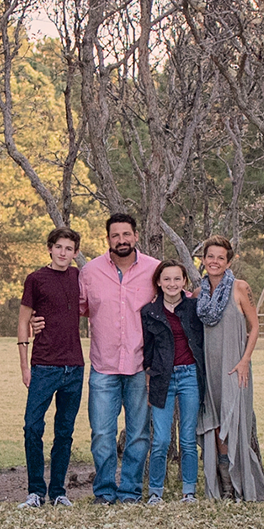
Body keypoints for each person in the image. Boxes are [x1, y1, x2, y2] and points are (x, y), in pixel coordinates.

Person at [79, 213, 160, 503]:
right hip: (104, 365)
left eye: (126, 234)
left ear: (136, 236)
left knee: (138, 434)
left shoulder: (154, 270)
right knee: (101, 433)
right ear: (108, 239)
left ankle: (129, 491)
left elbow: (176, 299)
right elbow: (76, 309)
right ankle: (104, 491)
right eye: (115, 235)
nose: (122, 240)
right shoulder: (89, 272)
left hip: (141, 366)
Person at [196, 234, 264, 501]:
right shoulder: (198, 293)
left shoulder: (239, 288)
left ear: (229, 261)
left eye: (220, 257)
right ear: (203, 260)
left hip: (235, 367)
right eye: (210, 256)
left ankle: (242, 485)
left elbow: (255, 326)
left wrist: (245, 360)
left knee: (232, 424)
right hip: (208, 368)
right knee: (214, 426)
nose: (214, 261)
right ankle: (223, 487)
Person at [16, 226, 84, 508]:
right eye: (59, 247)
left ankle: (58, 492)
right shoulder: (36, 279)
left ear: (75, 252)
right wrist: (24, 366)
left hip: (74, 367)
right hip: (44, 366)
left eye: (69, 249)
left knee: (64, 432)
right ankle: (35, 492)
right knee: (32, 426)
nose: (63, 253)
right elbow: (23, 321)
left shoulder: (80, 277)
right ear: (50, 248)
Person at [141, 260, 205, 505]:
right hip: (161, 377)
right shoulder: (150, 312)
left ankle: (189, 491)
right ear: (158, 282)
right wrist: (148, 377)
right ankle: (155, 491)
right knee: (161, 440)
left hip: (190, 375)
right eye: (166, 279)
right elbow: (147, 349)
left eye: (177, 279)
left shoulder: (194, 308)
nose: (172, 284)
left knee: (187, 437)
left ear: (184, 282)